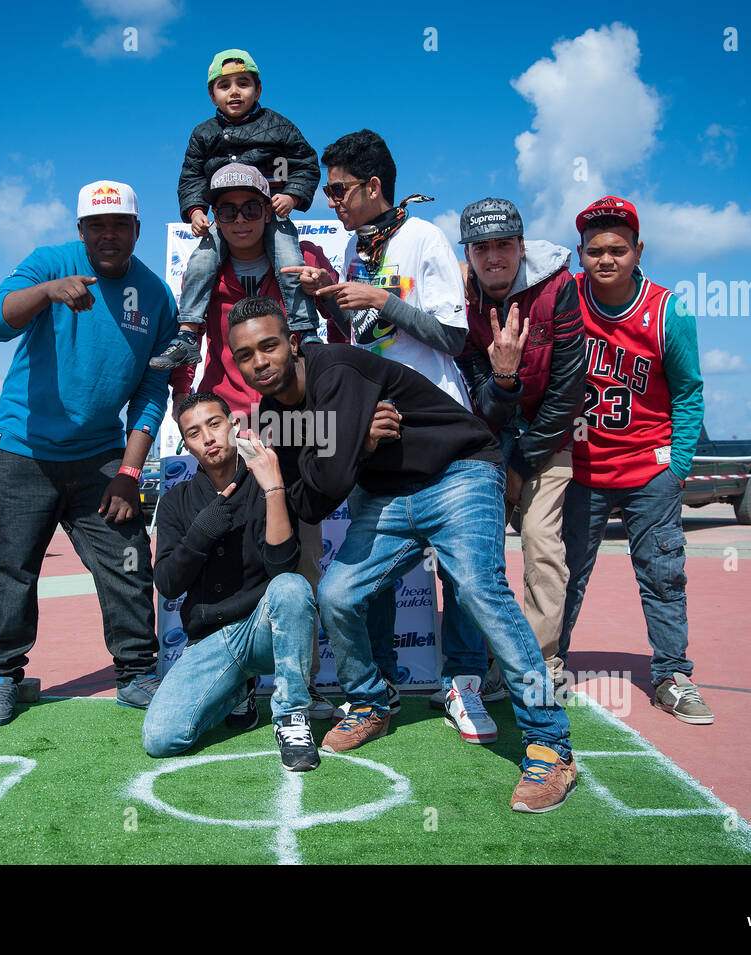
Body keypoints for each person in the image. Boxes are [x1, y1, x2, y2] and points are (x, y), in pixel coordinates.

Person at [228, 295, 577, 813]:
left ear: (293, 343)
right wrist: (356, 447)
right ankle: (371, 702)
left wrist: (343, 451)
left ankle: (551, 744)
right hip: (386, 497)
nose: (260, 362)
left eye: (269, 346)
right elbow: (310, 500)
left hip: (458, 472)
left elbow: (325, 481)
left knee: (481, 589)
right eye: (245, 355)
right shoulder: (274, 418)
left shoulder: (335, 370)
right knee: (338, 594)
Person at [0, 180, 178, 726]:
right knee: (11, 568)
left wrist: (130, 470)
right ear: (80, 230)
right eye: (96, 225)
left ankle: (136, 673)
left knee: (129, 561)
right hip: (22, 449)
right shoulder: (49, 263)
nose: (108, 234)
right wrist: (47, 292)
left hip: (100, 457)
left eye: (119, 225)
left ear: (136, 230)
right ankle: (1, 677)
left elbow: (153, 391)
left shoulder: (156, 297)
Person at [290, 129, 471, 723]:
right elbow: (361, 344)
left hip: (435, 424)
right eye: (327, 192)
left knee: (464, 572)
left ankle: (465, 682)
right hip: (377, 423)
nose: (331, 203)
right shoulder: (353, 251)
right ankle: (382, 687)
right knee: (369, 572)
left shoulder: (424, 237)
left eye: (340, 191)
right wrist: (327, 301)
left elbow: (455, 336)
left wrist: (380, 297)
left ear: (374, 186)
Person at [167, 162, 341, 722]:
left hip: (289, 424)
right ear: (212, 217)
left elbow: (338, 333)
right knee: (225, 551)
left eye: (251, 207)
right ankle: (235, 675)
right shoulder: (206, 268)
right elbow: (186, 351)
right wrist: (183, 408)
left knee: (299, 555)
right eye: (227, 209)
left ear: (271, 209)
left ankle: (301, 682)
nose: (240, 219)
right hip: (227, 428)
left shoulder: (304, 259)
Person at [557, 196, 713, 725]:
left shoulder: (669, 310)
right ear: (579, 253)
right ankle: (551, 664)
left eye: (618, 250)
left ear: (638, 250)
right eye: (595, 250)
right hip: (584, 470)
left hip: (650, 469)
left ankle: (673, 674)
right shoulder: (565, 298)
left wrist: (678, 466)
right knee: (566, 574)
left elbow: (689, 394)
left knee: (663, 575)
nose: (606, 260)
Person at [451, 197, 585, 700]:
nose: (493, 257)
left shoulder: (559, 288)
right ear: (469, 254)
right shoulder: (460, 297)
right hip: (487, 435)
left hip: (549, 436)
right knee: (476, 550)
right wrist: (504, 375)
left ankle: (541, 662)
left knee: (542, 545)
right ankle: (490, 660)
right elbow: (478, 398)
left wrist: (523, 463)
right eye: (481, 247)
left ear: (521, 246)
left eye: (503, 244)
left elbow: (569, 388)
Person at [145, 393, 319, 770]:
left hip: (262, 631)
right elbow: (168, 583)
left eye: (214, 424)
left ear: (233, 425)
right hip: (209, 641)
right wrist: (200, 534)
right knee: (160, 739)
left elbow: (282, 566)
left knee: (292, 587)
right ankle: (236, 690)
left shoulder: (265, 480)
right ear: (186, 444)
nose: (208, 438)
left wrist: (273, 488)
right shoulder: (177, 500)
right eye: (194, 432)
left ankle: (291, 716)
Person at [151, 49, 319, 370]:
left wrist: (293, 196)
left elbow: (306, 164)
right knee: (200, 260)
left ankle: (305, 331)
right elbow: (191, 176)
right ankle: (187, 335)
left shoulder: (278, 125)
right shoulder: (203, 133)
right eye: (224, 85)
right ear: (212, 94)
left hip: (270, 213)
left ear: (258, 89)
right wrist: (196, 210)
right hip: (224, 217)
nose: (234, 91)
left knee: (290, 261)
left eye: (243, 83)